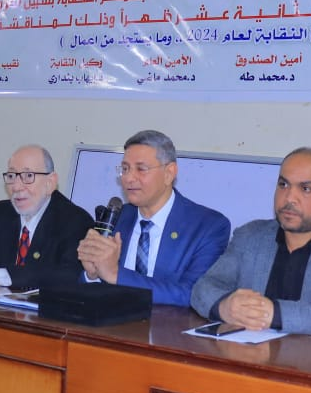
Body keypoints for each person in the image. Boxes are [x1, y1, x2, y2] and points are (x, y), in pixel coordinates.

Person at [191, 147, 311, 334]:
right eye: (283, 185)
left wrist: (274, 314)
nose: (290, 198)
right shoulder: (250, 235)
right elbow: (204, 288)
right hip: (247, 350)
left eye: (305, 189)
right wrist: (224, 306)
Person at [77, 130, 230, 307]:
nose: (128, 178)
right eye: (125, 169)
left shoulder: (208, 226)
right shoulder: (116, 218)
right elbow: (87, 292)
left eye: (141, 169)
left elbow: (194, 295)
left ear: (169, 173)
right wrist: (92, 274)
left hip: (169, 324)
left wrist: (116, 274)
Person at [0, 145, 93, 289]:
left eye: (28, 176)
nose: (16, 187)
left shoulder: (75, 222)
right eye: (11, 176)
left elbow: (68, 275)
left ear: (50, 183)